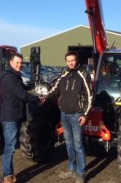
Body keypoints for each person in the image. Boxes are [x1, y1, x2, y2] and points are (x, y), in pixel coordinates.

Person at [43, 50, 92, 183]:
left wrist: (85, 114)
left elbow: (89, 95)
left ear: (77, 60)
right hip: (64, 114)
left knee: (78, 144)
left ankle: (81, 172)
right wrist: (45, 98)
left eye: (73, 60)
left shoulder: (83, 74)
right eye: (68, 61)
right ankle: (71, 169)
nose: (70, 63)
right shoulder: (64, 73)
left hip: (77, 115)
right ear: (66, 61)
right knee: (69, 143)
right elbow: (56, 89)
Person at [0, 52, 43, 183]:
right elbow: (21, 94)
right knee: (10, 147)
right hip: (10, 117)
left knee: (11, 145)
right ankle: (7, 175)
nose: (19, 65)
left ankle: (10, 173)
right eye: (17, 63)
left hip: (16, 115)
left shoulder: (16, 76)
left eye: (21, 63)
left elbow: (24, 88)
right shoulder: (9, 78)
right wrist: (37, 100)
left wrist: (35, 86)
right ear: (11, 63)